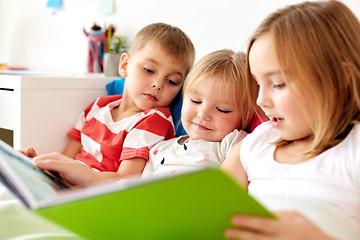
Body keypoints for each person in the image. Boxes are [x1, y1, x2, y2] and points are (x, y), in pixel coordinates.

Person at [222, 1, 360, 239]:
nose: (260, 100)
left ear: (337, 80)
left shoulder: (353, 150)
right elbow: (209, 206)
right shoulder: (257, 144)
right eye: (257, 83)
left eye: (277, 84)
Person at [25, 22, 195, 185]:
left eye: (172, 81)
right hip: (62, 186)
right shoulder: (98, 106)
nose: (158, 84)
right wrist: (40, 165)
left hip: (94, 196)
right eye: (149, 70)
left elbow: (125, 180)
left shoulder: (154, 120)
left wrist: (85, 176)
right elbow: (67, 158)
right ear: (124, 65)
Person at [142, 49, 254, 177]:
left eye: (222, 109)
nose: (203, 114)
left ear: (246, 116)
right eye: (196, 101)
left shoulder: (232, 145)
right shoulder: (158, 150)